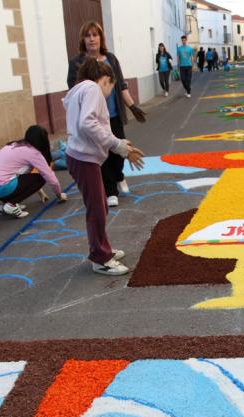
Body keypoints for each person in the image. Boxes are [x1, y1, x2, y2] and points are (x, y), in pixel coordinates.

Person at [63, 57, 145, 276]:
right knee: (97, 209)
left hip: (82, 157)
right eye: (112, 86)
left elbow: (93, 126)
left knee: (99, 206)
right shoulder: (92, 90)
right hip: (84, 158)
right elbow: (88, 123)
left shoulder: (80, 89)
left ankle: (103, 249)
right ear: (106, 80)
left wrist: (120, 147)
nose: (110, 93)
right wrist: (117, 144)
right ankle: (100, 258)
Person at [67, 21, 146, 208]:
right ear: (83, 39)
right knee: (101, 153)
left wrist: (132, 106)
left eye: (95, 35)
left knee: (118, 150)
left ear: (101, 38)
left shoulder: (110, 58)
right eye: (88, 35)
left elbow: (121, 85)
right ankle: (110, 190)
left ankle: (119, 176)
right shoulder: (77, 63)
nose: (92, 39)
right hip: (93, 117)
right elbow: (74, 91)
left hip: (114, 113)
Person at [0, 125, 67, 218]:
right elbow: (50, 177)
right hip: (0, 188)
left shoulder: (13, 144)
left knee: (17, 177)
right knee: (41, 177)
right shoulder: (33, 153)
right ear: (43, 141)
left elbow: (26, 176)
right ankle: (11, 205)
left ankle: (6, 205)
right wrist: (59, 195)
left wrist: (40, 192)